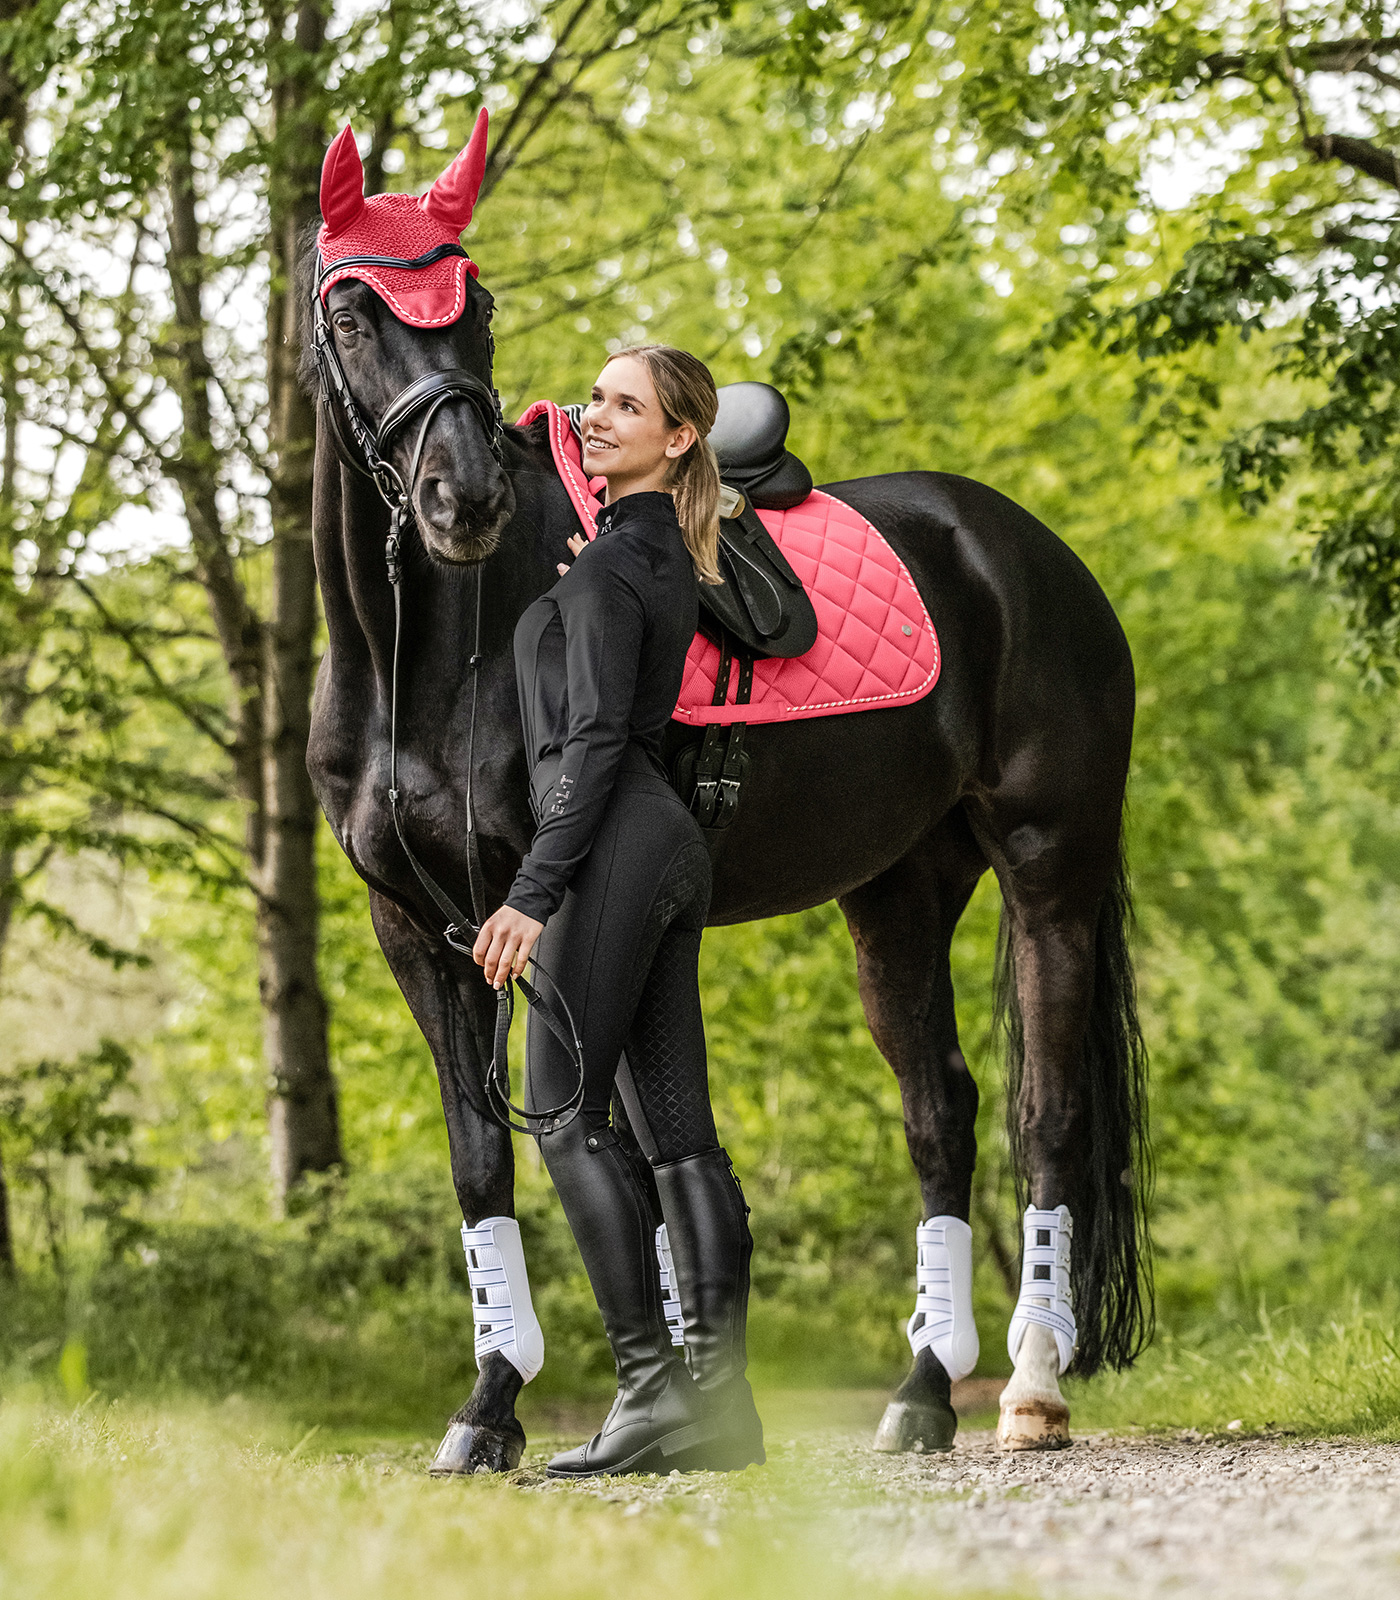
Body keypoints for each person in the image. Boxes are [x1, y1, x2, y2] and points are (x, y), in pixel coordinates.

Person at [472, 345, 765, 1478]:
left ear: (679, 437)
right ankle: (719, 1402)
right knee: (676, 1130)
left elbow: (588, 746)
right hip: (664, 849)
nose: (593, 416)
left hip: (609, 845)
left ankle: (650, 1389)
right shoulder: (648, 553)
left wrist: (530, 894)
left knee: (559, 1113)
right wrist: (576, 583)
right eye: (594, 398)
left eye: (623, 405)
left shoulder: (609, 568)